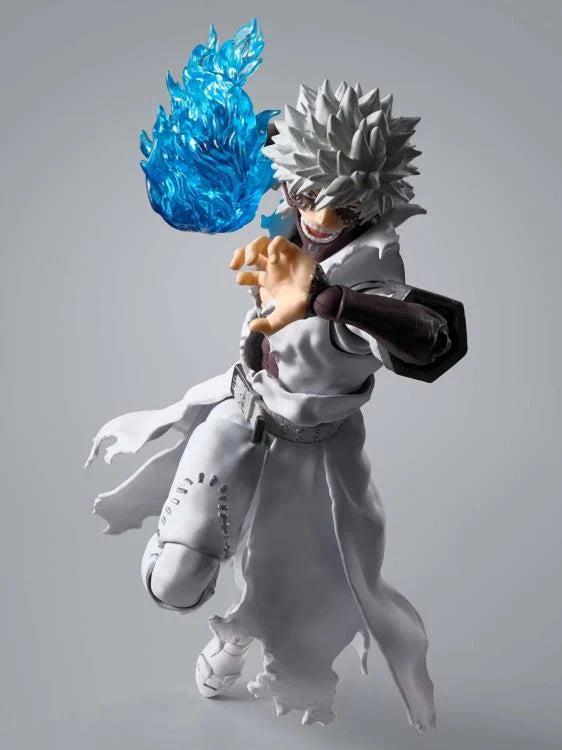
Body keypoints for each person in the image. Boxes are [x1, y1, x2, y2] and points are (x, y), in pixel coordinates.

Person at [86, 79, 466, 729]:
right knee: (174, 579)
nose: (322, 216)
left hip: (314, 453)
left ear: (373, 199)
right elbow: (263, 144)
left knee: (293, 594)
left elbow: (432, 336)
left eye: (344, 205)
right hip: (240, 414)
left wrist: (333, 303)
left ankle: (237, 633)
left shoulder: (374, 269)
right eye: (308, 194)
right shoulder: (292, 207)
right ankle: (214, 581)